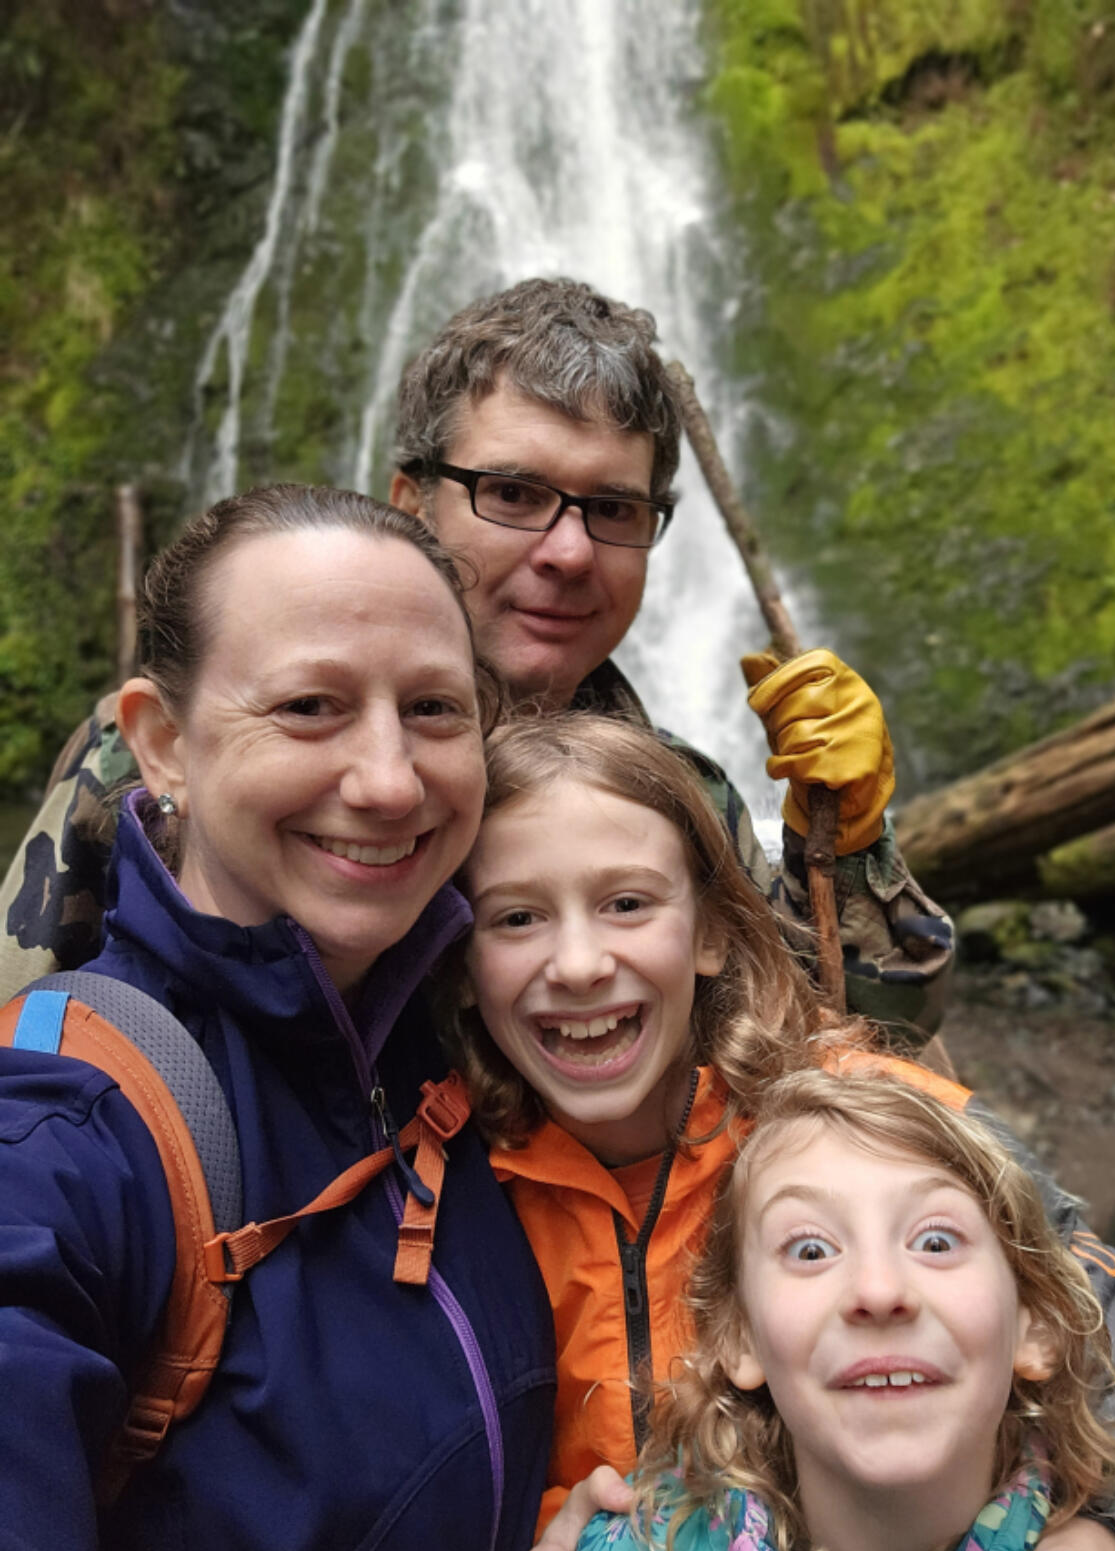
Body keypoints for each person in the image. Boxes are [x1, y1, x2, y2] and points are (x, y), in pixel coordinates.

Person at [0, 278, 952, 1042]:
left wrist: (848, 845)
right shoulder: (181, 753)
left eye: (613, 509)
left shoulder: (678, 799)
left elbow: (844, 1061)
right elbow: (19, 1022)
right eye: (512, 492)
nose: (569, 552)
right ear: (410, 506)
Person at [440, 713, 1115, 1551]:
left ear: (715, 932)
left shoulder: (884, 1128)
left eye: (627, 903)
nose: (577, 964)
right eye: (518, 917)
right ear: (457, 963)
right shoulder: (434, 1196)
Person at [0, 485, 555, 1551]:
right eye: (309, 707)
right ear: (163, 743)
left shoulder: (484, 1038)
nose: (390, 780)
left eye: (436, 711)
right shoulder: (68, 1129)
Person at [576, 1069, 1115, 1551]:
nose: (878, 1291)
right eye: (811, 1249)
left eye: (936, 1241)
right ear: (736, 1339)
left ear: (1035, 1325)